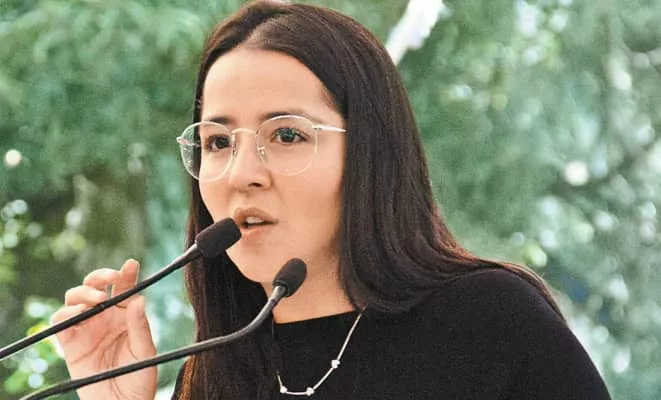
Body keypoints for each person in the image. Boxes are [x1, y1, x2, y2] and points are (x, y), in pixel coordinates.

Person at [51, 1, 612, 399]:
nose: (242, 174)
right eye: (218, 142)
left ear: (371, 152)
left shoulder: (490, 322)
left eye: (286, 135)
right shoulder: (214, 371)